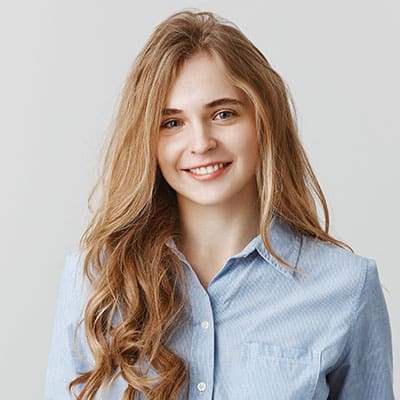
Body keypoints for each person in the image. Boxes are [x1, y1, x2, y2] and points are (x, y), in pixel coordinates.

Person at [45, 9, 394, 400]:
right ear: (149, 141)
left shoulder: (347, 288)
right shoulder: (93, 278)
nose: (201, 143)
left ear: (264, 121)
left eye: (223, 114)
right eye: (172, 123)